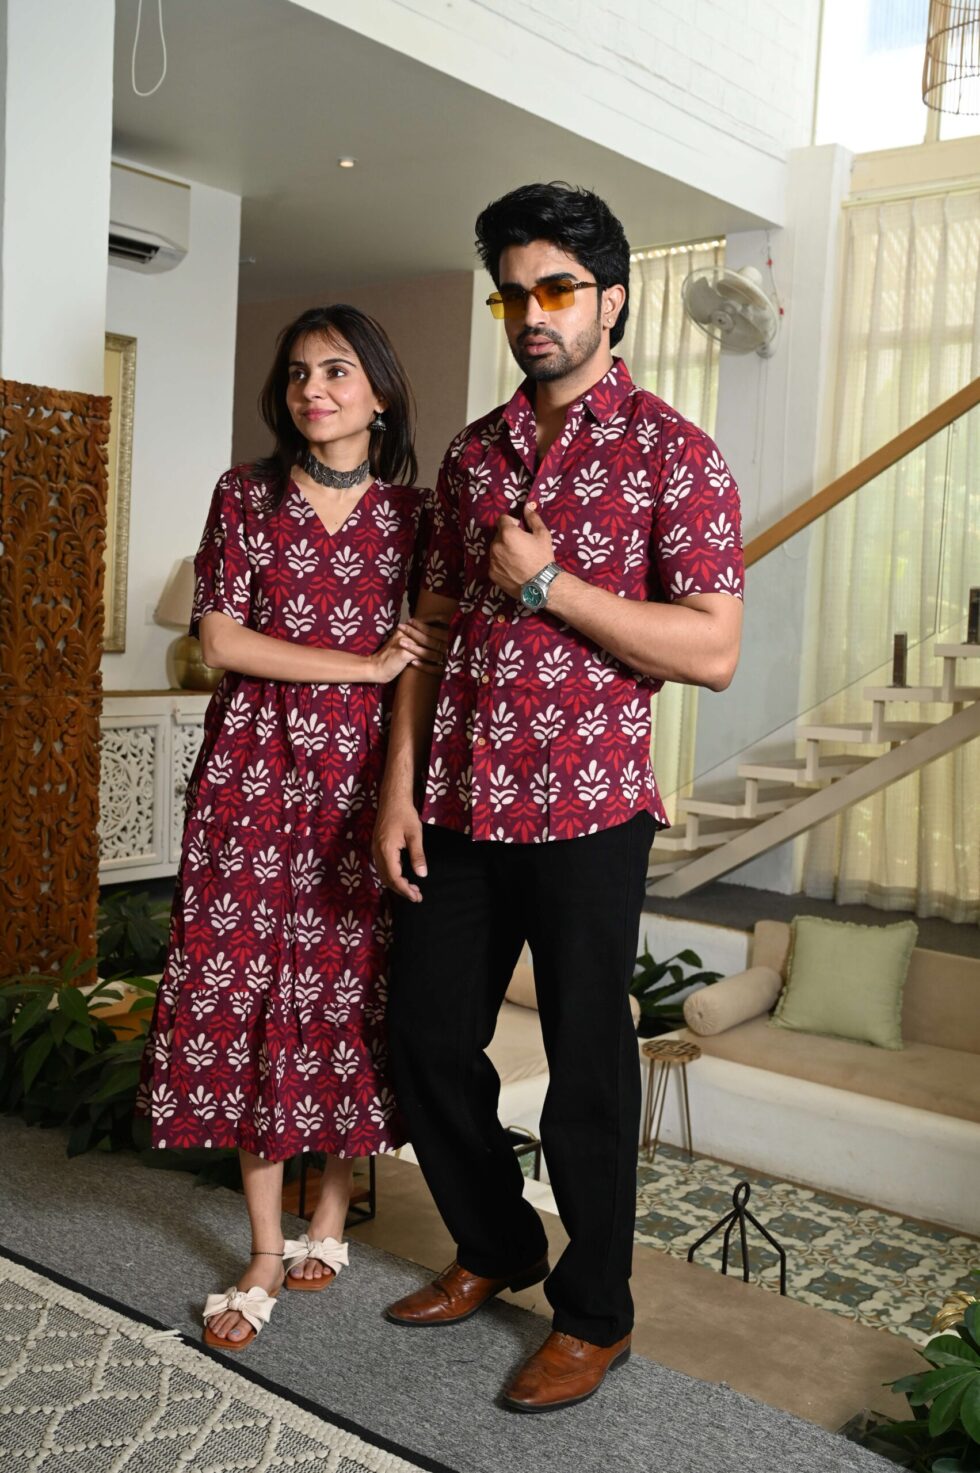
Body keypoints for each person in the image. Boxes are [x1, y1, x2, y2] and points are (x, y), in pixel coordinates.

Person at [373, 183, 744, 1411]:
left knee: (588, 1065)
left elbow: (709, 649)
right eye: (513, 294)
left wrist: (549, 588)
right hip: (459, 801)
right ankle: (495, 1243)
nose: (532, 314)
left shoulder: (675, 454)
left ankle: (593, 1315)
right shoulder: (471, 453)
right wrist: (396, 788)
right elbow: (429, 627)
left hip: (589, 811)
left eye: (557, 289)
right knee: (425, 1036)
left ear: (610, 301)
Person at [137, 304, 445, 1352]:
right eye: (299, 373)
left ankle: (330, 1218)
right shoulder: (245, 495)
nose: (313, 388)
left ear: (380, 392)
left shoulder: (415, 516)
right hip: (251, 779)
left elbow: (423, 666)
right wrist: (362, 664)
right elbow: (221, 638)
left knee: (343, 990)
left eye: (337, 370)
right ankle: (265, 1248)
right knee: (241, 992)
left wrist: (401, 770)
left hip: (358, 785)